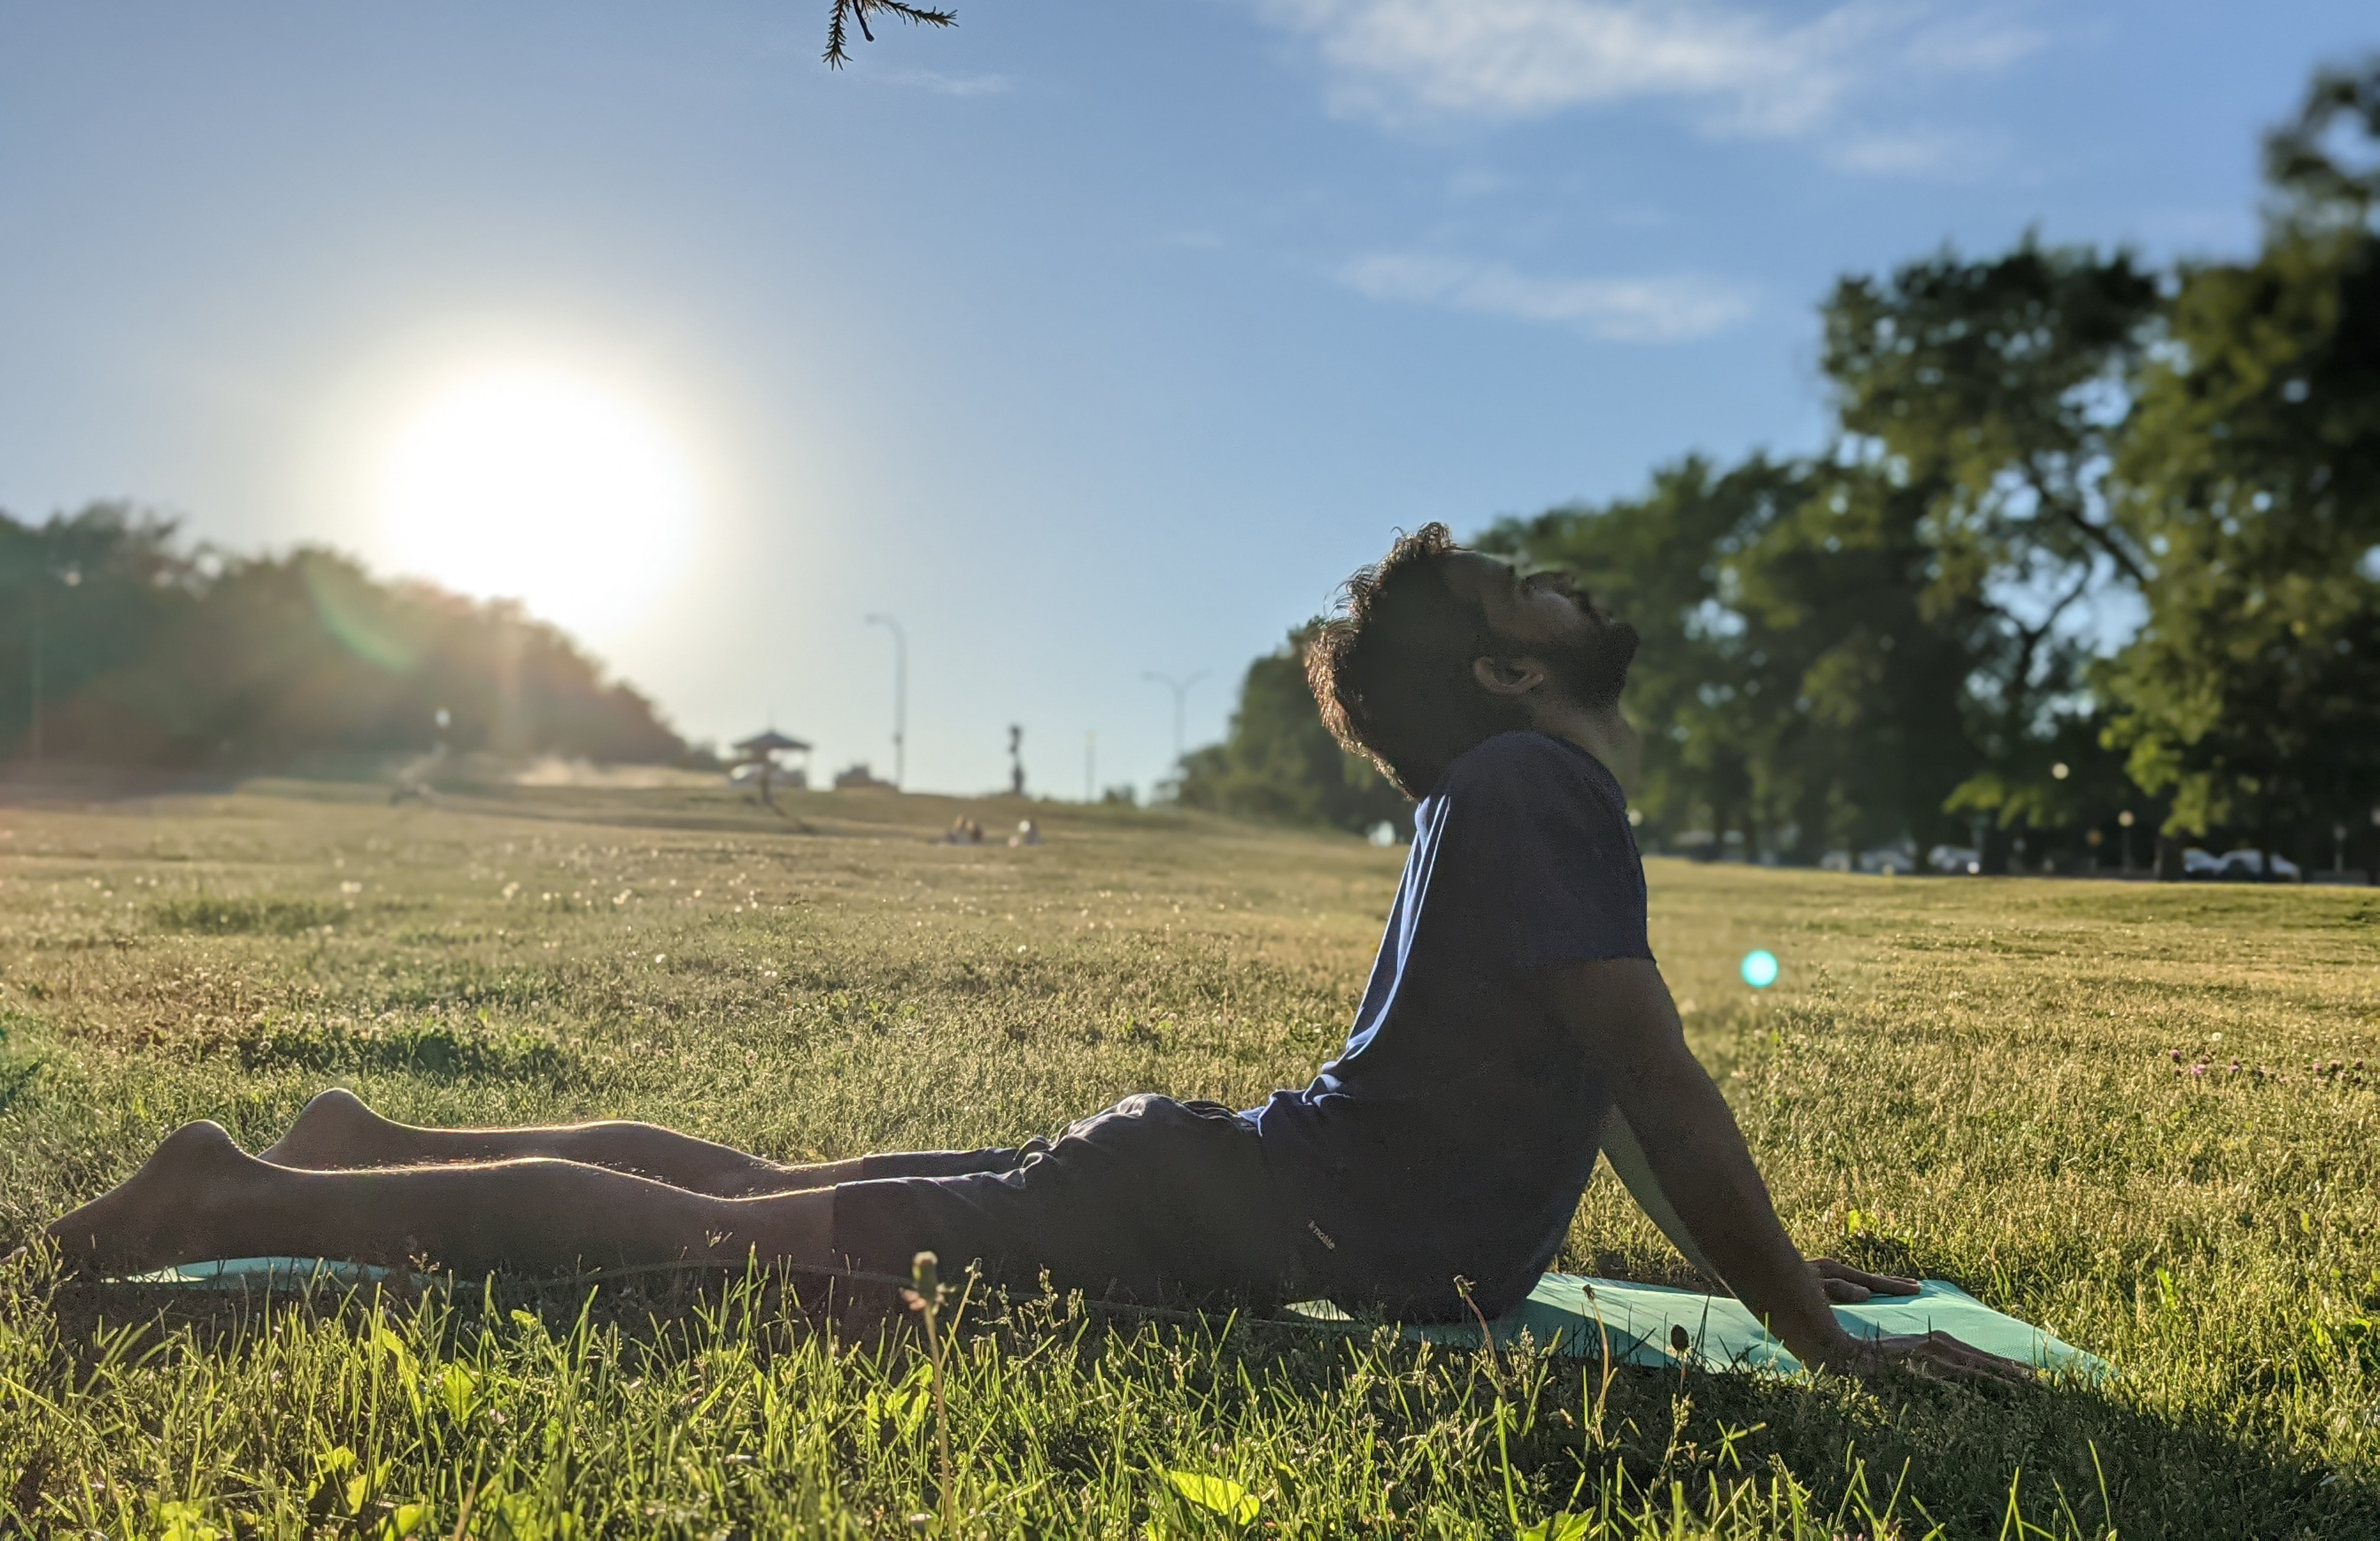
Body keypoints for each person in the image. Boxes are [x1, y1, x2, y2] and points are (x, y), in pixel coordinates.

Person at [41, 526, 2025, 1383]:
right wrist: (1819, 1341)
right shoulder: (1539, 788)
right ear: (1513, 669)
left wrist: (1774, 1274)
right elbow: (1659, 1087)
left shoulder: (1496, 795)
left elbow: (1588, 1099)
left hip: (1209, 1188)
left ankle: (354, 1143)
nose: (1570, 587)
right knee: (741, 1254)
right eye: (1532, 588)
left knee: (761, 1195)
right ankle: (243, 1189)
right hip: (1209, 1214)